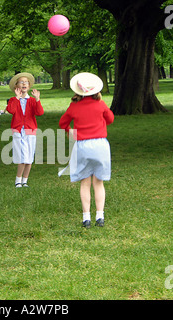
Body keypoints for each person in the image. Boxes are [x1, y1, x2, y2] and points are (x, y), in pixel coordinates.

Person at [59, 73, 114, 228]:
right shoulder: (101, 104)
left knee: (85, 182)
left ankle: (86, 218)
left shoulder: (74, 106)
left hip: (82, 145)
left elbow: (62, 122)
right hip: (100, 145)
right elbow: (110, 119)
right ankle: (100, 216)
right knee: (98, 182)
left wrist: (70, 131)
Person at [6, 72, 44, 188]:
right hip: (18, 131)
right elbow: (10, 110)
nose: (24, 84)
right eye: (21, 82)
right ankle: (18, 180)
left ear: (29, 85)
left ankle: (25, 180)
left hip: (30, 130)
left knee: (29, 157)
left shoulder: (32, 101)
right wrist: (17, 98)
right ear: (17, 86)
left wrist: (37, 99)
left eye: (26, 82)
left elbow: (39, 112)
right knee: (21, 156)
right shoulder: (13, 100)